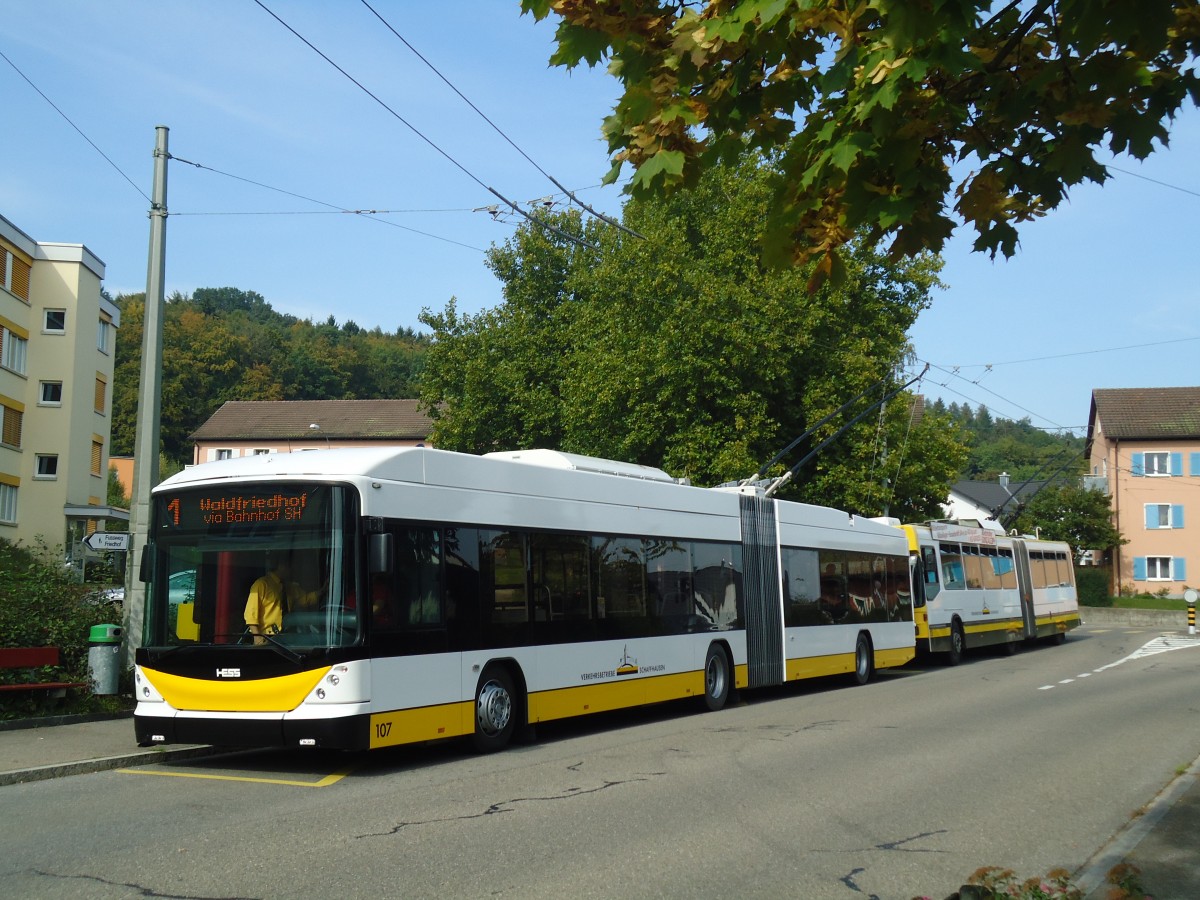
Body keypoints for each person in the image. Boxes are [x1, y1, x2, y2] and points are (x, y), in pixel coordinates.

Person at [244, 553, 320, 643]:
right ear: (281, 566)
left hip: (287, 637)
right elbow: (251, 613)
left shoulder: (290, 586)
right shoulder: (261, 584)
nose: (292, 570)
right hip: (267, 637)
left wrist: (322, 591)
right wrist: (257, 636)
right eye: (290, 567)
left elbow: (305, 599)